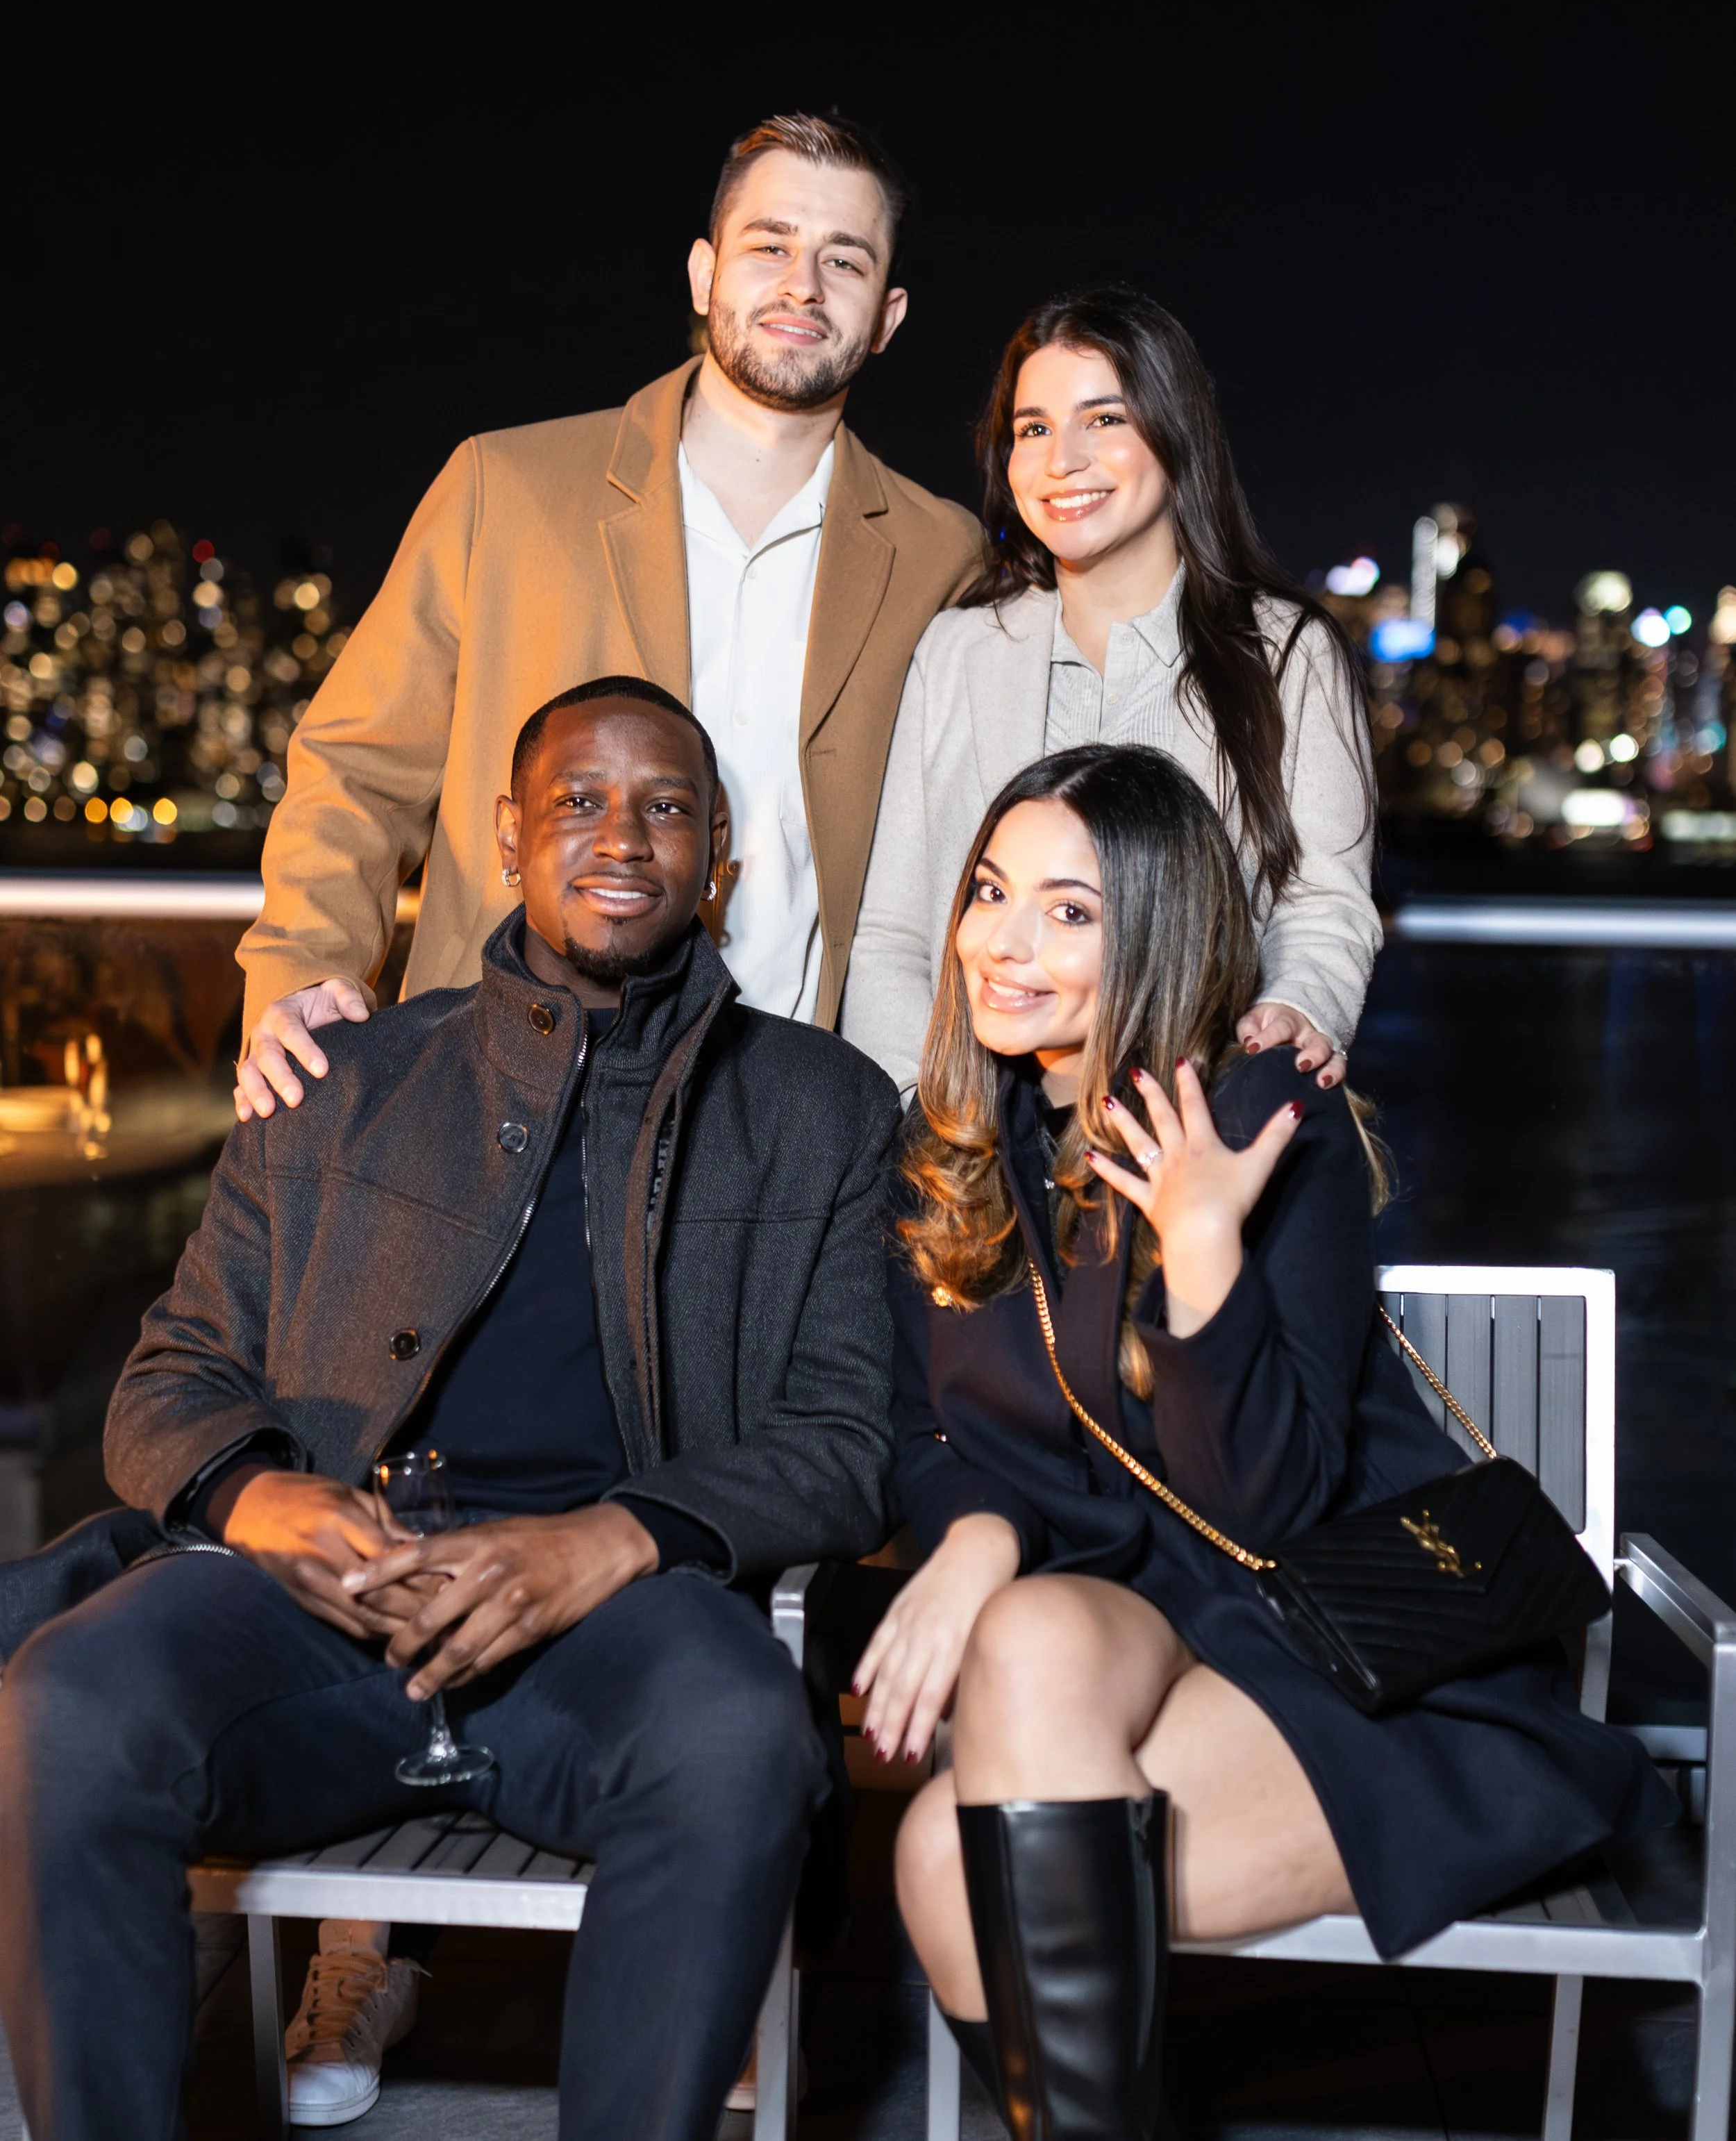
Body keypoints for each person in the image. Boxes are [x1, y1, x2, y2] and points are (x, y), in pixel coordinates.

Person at [0, 681, 902, 2141]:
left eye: (665, 806)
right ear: (506, 836)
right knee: (69, 1700)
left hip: (612, 1629)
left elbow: (849, 1441)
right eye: (578, 802)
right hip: (313, 1602)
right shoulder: (340, 1079)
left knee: (741, 1733)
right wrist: (262, 1498)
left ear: (717, 857)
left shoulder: (825, 1107)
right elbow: (170, 1379)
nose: (622, 835)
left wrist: (608, 1539)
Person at [854, 744, 1671, 2139]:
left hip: (1332, 1648)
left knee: (947, 1851)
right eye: (992, 891)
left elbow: (1274, 1500)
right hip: (1126, 1627)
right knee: (1007, 1689)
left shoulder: (1253, 1124)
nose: (1006, 938)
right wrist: (975, 1532)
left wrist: (1205, 1248)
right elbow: (927, 1430)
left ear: (1157, 929)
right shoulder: (949, 1152)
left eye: (1069, 909)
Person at [233, 110, 980, 1124]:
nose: (802, 285)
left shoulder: (943, 555)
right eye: (769, 246)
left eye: (843, 260)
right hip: (501, 1096)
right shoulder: (508, 486)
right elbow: (358, 765)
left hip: (784, 1128)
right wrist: (302, 963)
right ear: (704, 274)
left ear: (888, 316)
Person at [842, 287, 1380, 1100]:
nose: (1062, 460)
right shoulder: (957, 651)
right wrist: (921, 1126)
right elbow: (892, 934)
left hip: (1194, 1127)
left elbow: (1324, 904)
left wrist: (1296, 1009)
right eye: (1033, 429)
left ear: (1176, 433)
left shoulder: (1284, 654)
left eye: (1104, 419)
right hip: (977, 1146)